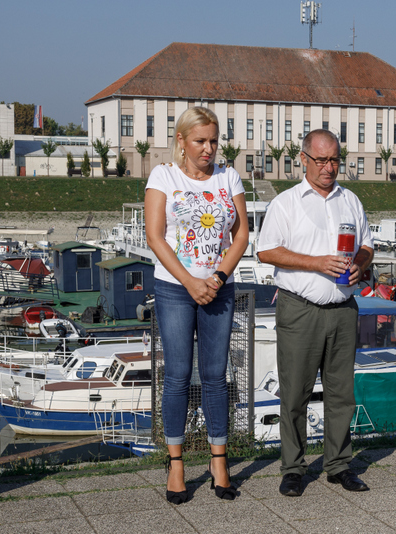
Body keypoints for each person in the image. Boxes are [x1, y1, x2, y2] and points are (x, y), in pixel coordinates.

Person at [257, 129, 374, 497]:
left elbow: (367, 245)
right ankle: (293, 468)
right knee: (295, 394)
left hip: (343, 310)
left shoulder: (350, 200)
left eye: (334, 160)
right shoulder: (286, 203)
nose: (328, 167)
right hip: (300, 310)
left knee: (342, 394)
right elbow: (266, 251)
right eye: (321, 160)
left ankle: (339, 465)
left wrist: (359, 265)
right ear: (303, 160)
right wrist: (316, 263)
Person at [145, 106, 249, 504]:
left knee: (215, 375)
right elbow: (155, 237)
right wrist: (190, 281)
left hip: (218, 287)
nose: (208, 148)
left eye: (213, 141)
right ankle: (176, 464)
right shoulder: (163, 176)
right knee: (176, 376)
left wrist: (217, 278)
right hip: (175, 288)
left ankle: (219, 462)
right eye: (200, 141)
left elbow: (241, 236)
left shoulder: (228, 177)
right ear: (182, 141)